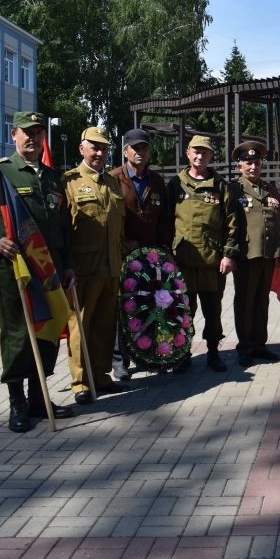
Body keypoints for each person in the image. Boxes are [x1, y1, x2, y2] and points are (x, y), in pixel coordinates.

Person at [0, 111, 75, 432]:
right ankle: (17, 403)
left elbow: (63, 229)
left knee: (48, 332)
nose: (33, 138)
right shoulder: (0, 174)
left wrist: (67, 268)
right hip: (17, 270)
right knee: (18, 334)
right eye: (26, 132)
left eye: (38, 133)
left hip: (50, 270)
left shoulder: (53, 179)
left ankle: (39, 399)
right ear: (14, 135)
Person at [64, 126, 126, 404]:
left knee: (104, 325)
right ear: (82, 149)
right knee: (80, 325)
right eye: (94, 147)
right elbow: (63, 230)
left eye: (103, 148)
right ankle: (80, 381)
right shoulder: (69, 182)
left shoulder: (112, 183)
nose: (100, 153)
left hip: (111, 267)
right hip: (83, 269)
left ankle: (100, 375)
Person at [167, 135, 238, 373]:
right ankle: (183, 353)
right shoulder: (175, 184)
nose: (200, 156)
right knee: (183, 311)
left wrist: (228, 255)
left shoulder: (220, 186)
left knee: (213, 310)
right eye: (196, 151)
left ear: (210, 156)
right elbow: (166, 221)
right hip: (183, 262)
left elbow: (233, 223)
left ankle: (213, 352)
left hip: (211, 262)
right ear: (188, 153)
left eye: (205, 152)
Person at [108, 128, 171, 380]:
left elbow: (164, 219)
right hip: (123, 255)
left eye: (144, 148)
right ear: (125, 151)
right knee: (121, 307)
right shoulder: (113, 178)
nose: (139, 152)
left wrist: (164, 250)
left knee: (147, 306)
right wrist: (123, 243)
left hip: (150, 257)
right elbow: (110, 219)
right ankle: (119, 361)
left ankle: (145, 355)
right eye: (135, 148)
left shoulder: (156, 181)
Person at [230, 140, 280, 367]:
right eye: (248, 163)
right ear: (240, 166)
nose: (253, 167)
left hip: (268, 254)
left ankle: (259, 344)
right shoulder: (233, 189)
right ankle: (244, 347)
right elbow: (229, 223)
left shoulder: (269, 188)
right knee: (245, 301)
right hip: (246, 255)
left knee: (261, 301)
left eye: (256, 162)